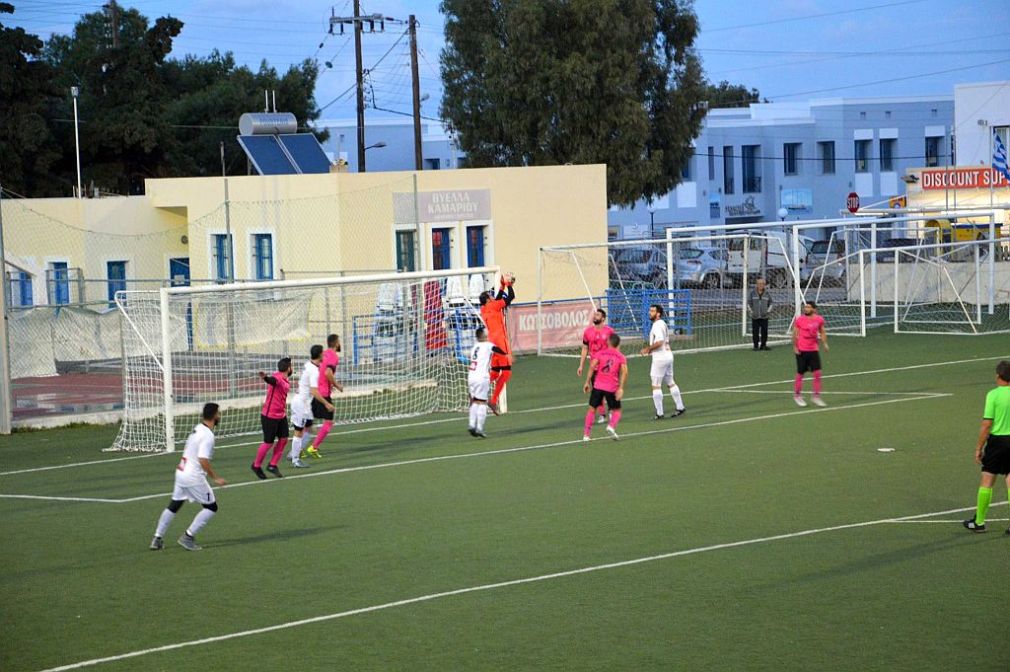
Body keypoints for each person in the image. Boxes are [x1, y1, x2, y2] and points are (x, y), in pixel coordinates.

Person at [149, 403, 226, 552]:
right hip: (193, 476)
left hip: (181, 472)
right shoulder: (208, 436)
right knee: (211, 507)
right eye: (219, 413)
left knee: (174, 505)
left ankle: (157, 538)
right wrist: (215, 478)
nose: (220, 416)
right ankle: (188, 537)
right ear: (214, 416)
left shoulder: (197, 428)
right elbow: (203, 460)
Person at [963, 361, 1010, 533]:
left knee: (987, 479)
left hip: (997, 442)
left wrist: (978, 448)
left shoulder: (993, 395)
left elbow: (987, 424)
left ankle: (979, 522)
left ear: (998, 376)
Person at [639, 304, 686, 420]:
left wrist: (648, 349)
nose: (650, 312)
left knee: (656, 385)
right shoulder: (663, 323)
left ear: (658, 314)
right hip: (668, 354)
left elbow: (659, 341)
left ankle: (659, 413)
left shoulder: (657, 325)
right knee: (670, 382)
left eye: (652, 311)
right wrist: (651, 349)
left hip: (660, 358)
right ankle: (680, 407)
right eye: (650, 310)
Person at [479, 275, 515, 414]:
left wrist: (502, 286)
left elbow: (498, 300)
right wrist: (509, 284)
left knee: (494, 373)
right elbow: (510, 297)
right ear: (488, 299)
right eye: (490, 296)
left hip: (492, 344)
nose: (492, 296)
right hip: (500, 342)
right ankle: (493, 401)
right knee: (506, 373)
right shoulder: (494, 305)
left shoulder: (484, 309)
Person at [288, 345, 329, 468]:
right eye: (323, 353)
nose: (324, 355)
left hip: (304, 403)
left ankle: (294, 453)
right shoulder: (314, 371)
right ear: (320, 355)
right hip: (301, 404)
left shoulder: (309, 364)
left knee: (310, 429)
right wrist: (326, 403)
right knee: (299, 432)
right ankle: (295, 459)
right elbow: (314, 391)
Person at [251, 357, 291, 479]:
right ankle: (256, 465)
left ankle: (272, 465)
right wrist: (265, 378)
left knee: (284, 439)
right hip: (270, 416)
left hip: (281, 415)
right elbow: (272, 381)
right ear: (288, 368)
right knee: (268, 442)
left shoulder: (284, 378)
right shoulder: (278, 378)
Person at [583, 333, 628, 441]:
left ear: (608, 342)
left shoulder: (600, 353)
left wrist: (587, 382)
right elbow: (625, 372)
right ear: (618, 344)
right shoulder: (621, 357)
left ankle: (586, 435)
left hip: (598, 386)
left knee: (592, 409)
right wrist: (621, 388)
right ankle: (611, 426)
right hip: (611, 387)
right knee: (617, 410)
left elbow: (592, 366)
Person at [467, 327, 510, 438]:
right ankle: (479, 428)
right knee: (482, 402)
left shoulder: (474, 347)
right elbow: (496, 349)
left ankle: (471, 425)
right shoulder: (487, 345)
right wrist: (506, 354)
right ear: (484, 335)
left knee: (475, 401)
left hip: (471, 377)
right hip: (481, 377)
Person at [307, 335, 343, 459]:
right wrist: (337, 385)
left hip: (315, 390)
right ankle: (313, 447)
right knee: (328, 421)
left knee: (308, 421)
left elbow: (320, 370)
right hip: (323, 394)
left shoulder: (324, 354)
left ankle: (298, 449)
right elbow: (328, 372)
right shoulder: (333, 356)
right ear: (336, 343)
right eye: (339, 341)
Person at [577, 307, 616, 424]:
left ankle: (611, 410)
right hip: (594, 367)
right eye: (594, 315)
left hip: (607, 366)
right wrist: (581, 365)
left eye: (598, 315)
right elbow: (585, 348)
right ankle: (602, 414)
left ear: (603, 318)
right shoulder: (588, 332)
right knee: (597, 392)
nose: (595, 316)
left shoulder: (609, 331)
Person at [792, 300, 828, 407]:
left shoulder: (819, 319)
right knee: (800, 373)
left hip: (813, 350)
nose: (806, 309)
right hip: (802, 350)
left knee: (817, 373)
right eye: (805, 307)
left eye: (808, 307)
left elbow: (822, 331)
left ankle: (816, 397)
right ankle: (797, 395)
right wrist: (795, 346)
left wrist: (825, 343)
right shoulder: (800, 320)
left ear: (814, 309)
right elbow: (795, 333)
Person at [748, 277, 773, 351]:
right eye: (759, 283)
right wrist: (752, 312)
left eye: (762, 284)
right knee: (755, 332)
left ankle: (763, 345)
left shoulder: (767, 293)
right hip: (755, 317)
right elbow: (749, 303)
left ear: (764, 285)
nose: (761, 285)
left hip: (764, 317)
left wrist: (767, 311)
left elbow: (771, 303)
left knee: (764, 331)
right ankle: (755, 346)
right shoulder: (752, 293)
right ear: (756, 284)